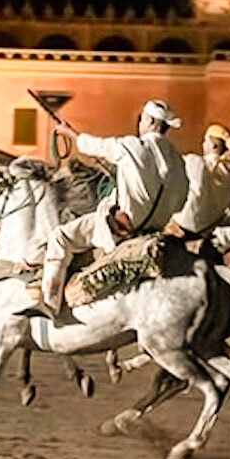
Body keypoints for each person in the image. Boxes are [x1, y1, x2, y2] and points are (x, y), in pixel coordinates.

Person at [39, 99, 190, 316]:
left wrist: (69, 133)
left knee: (60, 237)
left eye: (142, 119)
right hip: (155, 230)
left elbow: (96, 146)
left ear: (147, 120)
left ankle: (48, 304)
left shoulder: (133, 146)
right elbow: (181, 201)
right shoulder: (178, 160)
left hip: (120, 226)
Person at [169, 123, 230, 240]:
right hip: (205, 232)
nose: (203, 145)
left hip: (180, 226)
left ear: (213, 145)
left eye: (205, 141)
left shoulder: (194, 163)